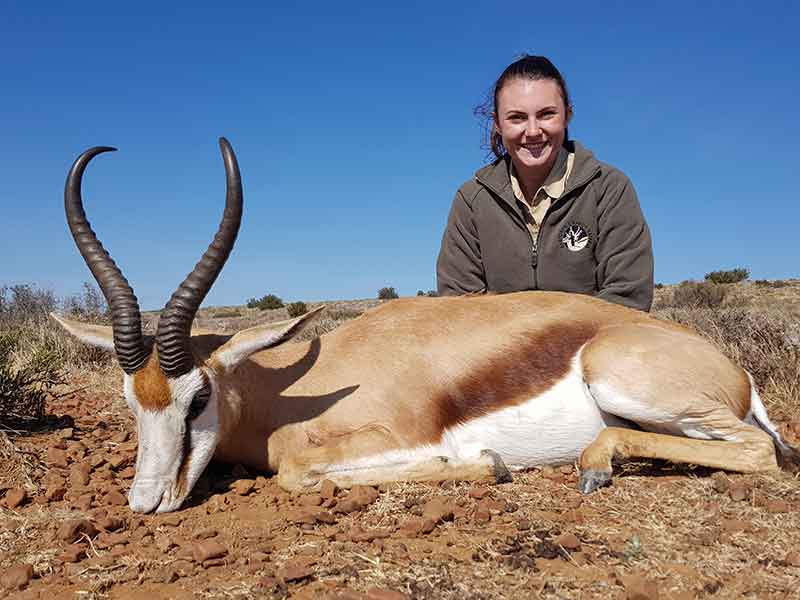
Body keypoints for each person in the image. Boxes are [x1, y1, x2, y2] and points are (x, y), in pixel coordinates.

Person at [436, 55, 654, 311]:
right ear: (497, 124)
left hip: (595, 345)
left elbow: (628, 299)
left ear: (567, 115)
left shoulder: (609, 189)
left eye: (546, 114)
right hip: (502, 350)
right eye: (517, 117)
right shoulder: (471, 200)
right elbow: (458, 307)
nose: (532, 131)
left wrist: (560, 346)